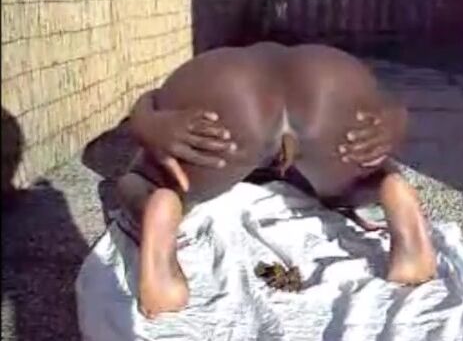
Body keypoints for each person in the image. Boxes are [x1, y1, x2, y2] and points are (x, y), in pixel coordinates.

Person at [116, 42, 436, 319]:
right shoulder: (319, 61)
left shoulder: (219, 66)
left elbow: (151, 98)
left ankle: (159, 202)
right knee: (358, 179)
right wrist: (395, 122)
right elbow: (390, 102)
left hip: (225, 90)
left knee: (140, 178)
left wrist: (147, 123)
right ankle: (387, 187)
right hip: (330, 81)